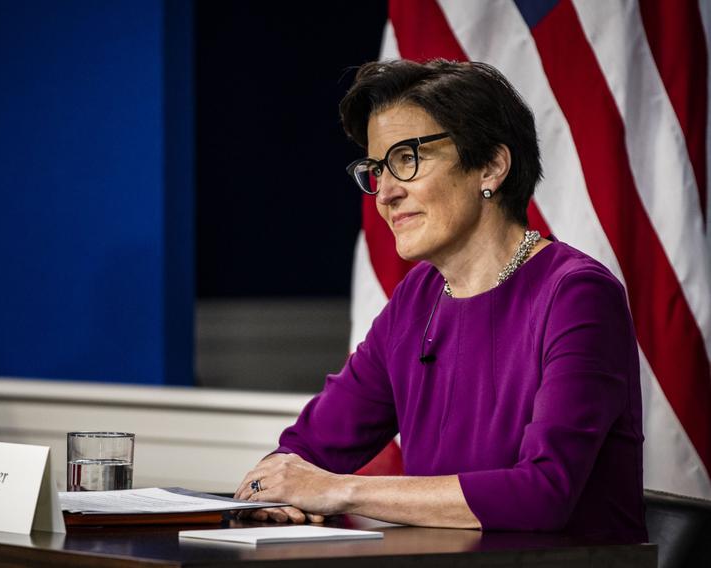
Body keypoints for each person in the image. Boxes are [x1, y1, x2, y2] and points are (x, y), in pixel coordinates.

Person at [234, 59, 646, 541]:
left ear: (491, 165)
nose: (384, 193)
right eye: (376, 169)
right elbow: (304, 451)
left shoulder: (577, 295)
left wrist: (339, 491)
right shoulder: (417, 298)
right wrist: (280, 494)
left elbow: (544, 491)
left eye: (407, 158)